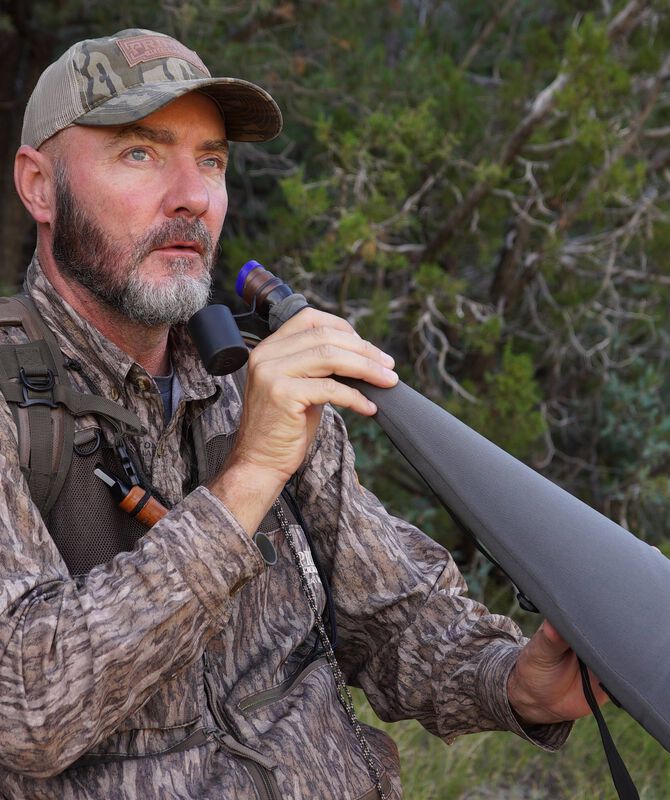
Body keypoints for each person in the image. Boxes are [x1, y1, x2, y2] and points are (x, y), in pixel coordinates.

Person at [4, 28, 610, 800]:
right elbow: (26, 710)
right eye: (140, 153)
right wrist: (250, 475)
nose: (193, 196)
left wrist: (518, 683)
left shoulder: (249, 385)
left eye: (212, 160)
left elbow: (392, 619)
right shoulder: (15, 406)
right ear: (39, 186)